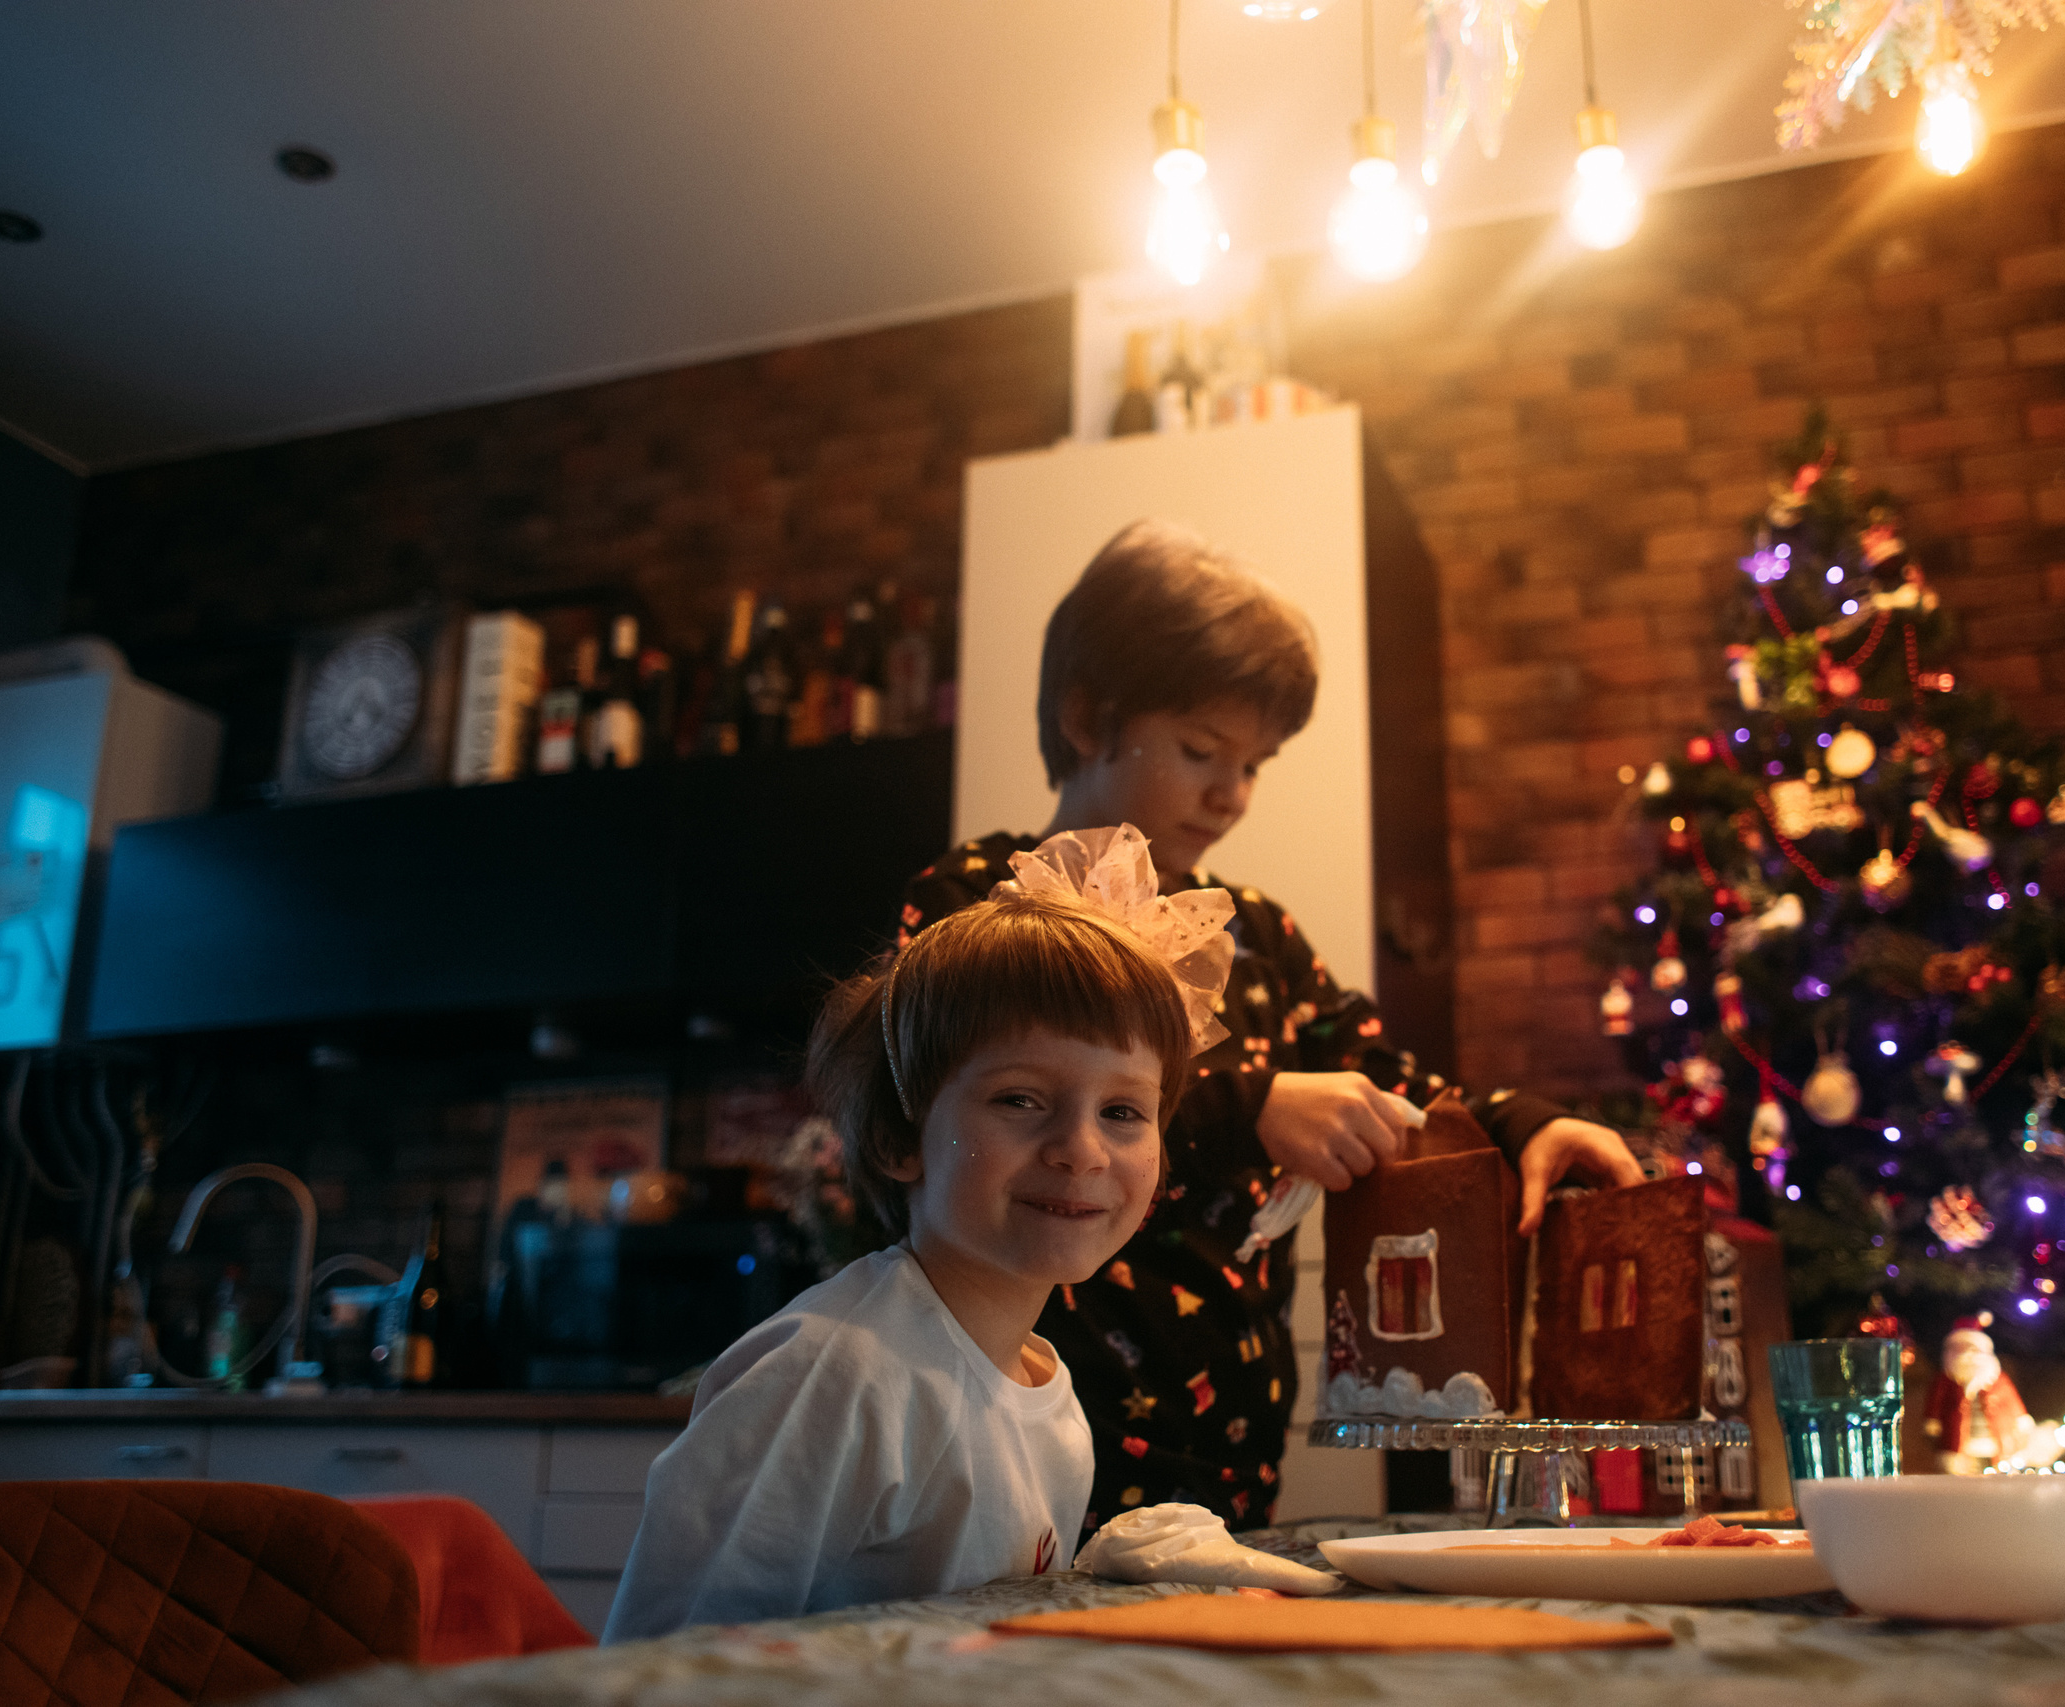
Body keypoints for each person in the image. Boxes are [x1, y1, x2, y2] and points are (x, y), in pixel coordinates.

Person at [902, 519, 1643, 1536]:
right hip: (1014, 1423)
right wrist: (1250, 1105)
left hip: (1230, 1444)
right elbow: (970, 1087)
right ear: (1086, 716)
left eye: (1258, 763)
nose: (1232, 794)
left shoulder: (1253, 933)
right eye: (1202, 750)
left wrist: (1520, 1127)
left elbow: (1389, 1076)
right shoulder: (980, 903)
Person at [603, 881, 1220, 1639]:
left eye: (1123, 1111)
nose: (1083, 1150)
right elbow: (662, 1659)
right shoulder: (839, 1373)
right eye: (1020, 1099)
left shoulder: (1052, 1400)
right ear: (900, 1136)